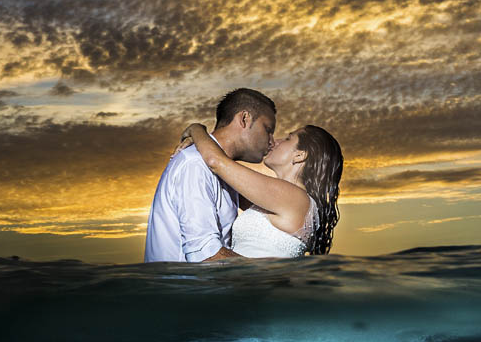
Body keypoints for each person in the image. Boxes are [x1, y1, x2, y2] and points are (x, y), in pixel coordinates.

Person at [143, 89, 276, 262]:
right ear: (244, 119)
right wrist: (271, 275)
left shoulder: (226, 173)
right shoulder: (195, 164)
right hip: (183, 287)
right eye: (268, 129)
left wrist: (197, 129)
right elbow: (205, 254)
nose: (272, 141)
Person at [178, 121, 342, 257]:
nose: (275, 142)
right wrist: (202, 145)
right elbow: (226, 181)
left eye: (287, 139)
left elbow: (216, 162)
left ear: (300, 155)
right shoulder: (284, 200)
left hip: (254, 287)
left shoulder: (293, 197)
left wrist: (197, 130)